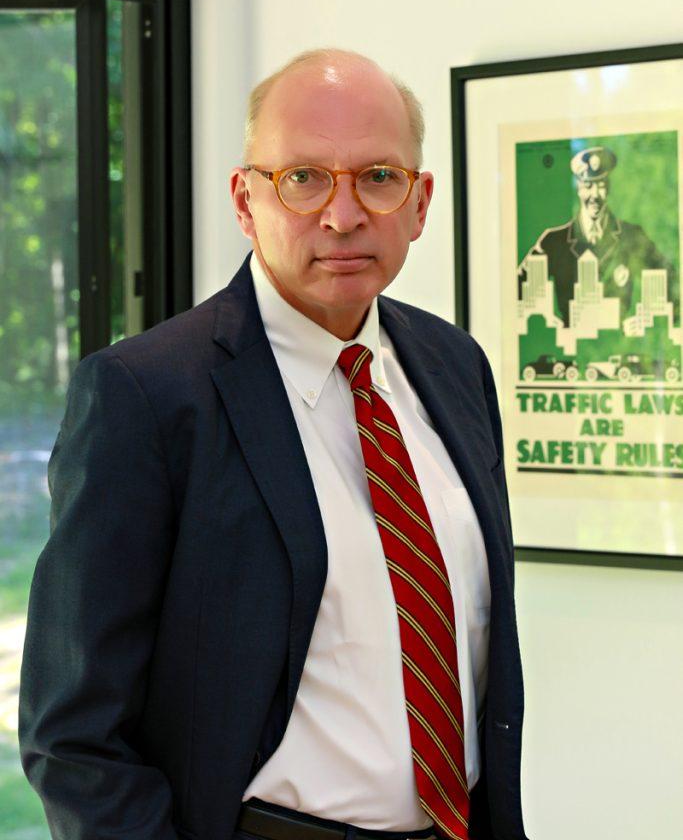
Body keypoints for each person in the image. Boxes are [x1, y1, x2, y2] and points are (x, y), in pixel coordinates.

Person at [19, 49, 528, 840]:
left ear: (420, 202)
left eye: (378, 177)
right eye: (302, 178)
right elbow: (73, 735)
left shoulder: (455, 365)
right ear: (244, 199)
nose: (342, 214)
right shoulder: (148, 396)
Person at [518, 145, 675, 324]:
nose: (594, 195)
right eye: (588, 186)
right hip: (571, 347)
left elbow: (672, 284)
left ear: (608, 188)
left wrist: (643, 320)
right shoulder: (553, 242)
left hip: (621, 346)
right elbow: (515, 293)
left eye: (600, 186)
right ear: (578, 189)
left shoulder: (632, 236)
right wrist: (546, 323)